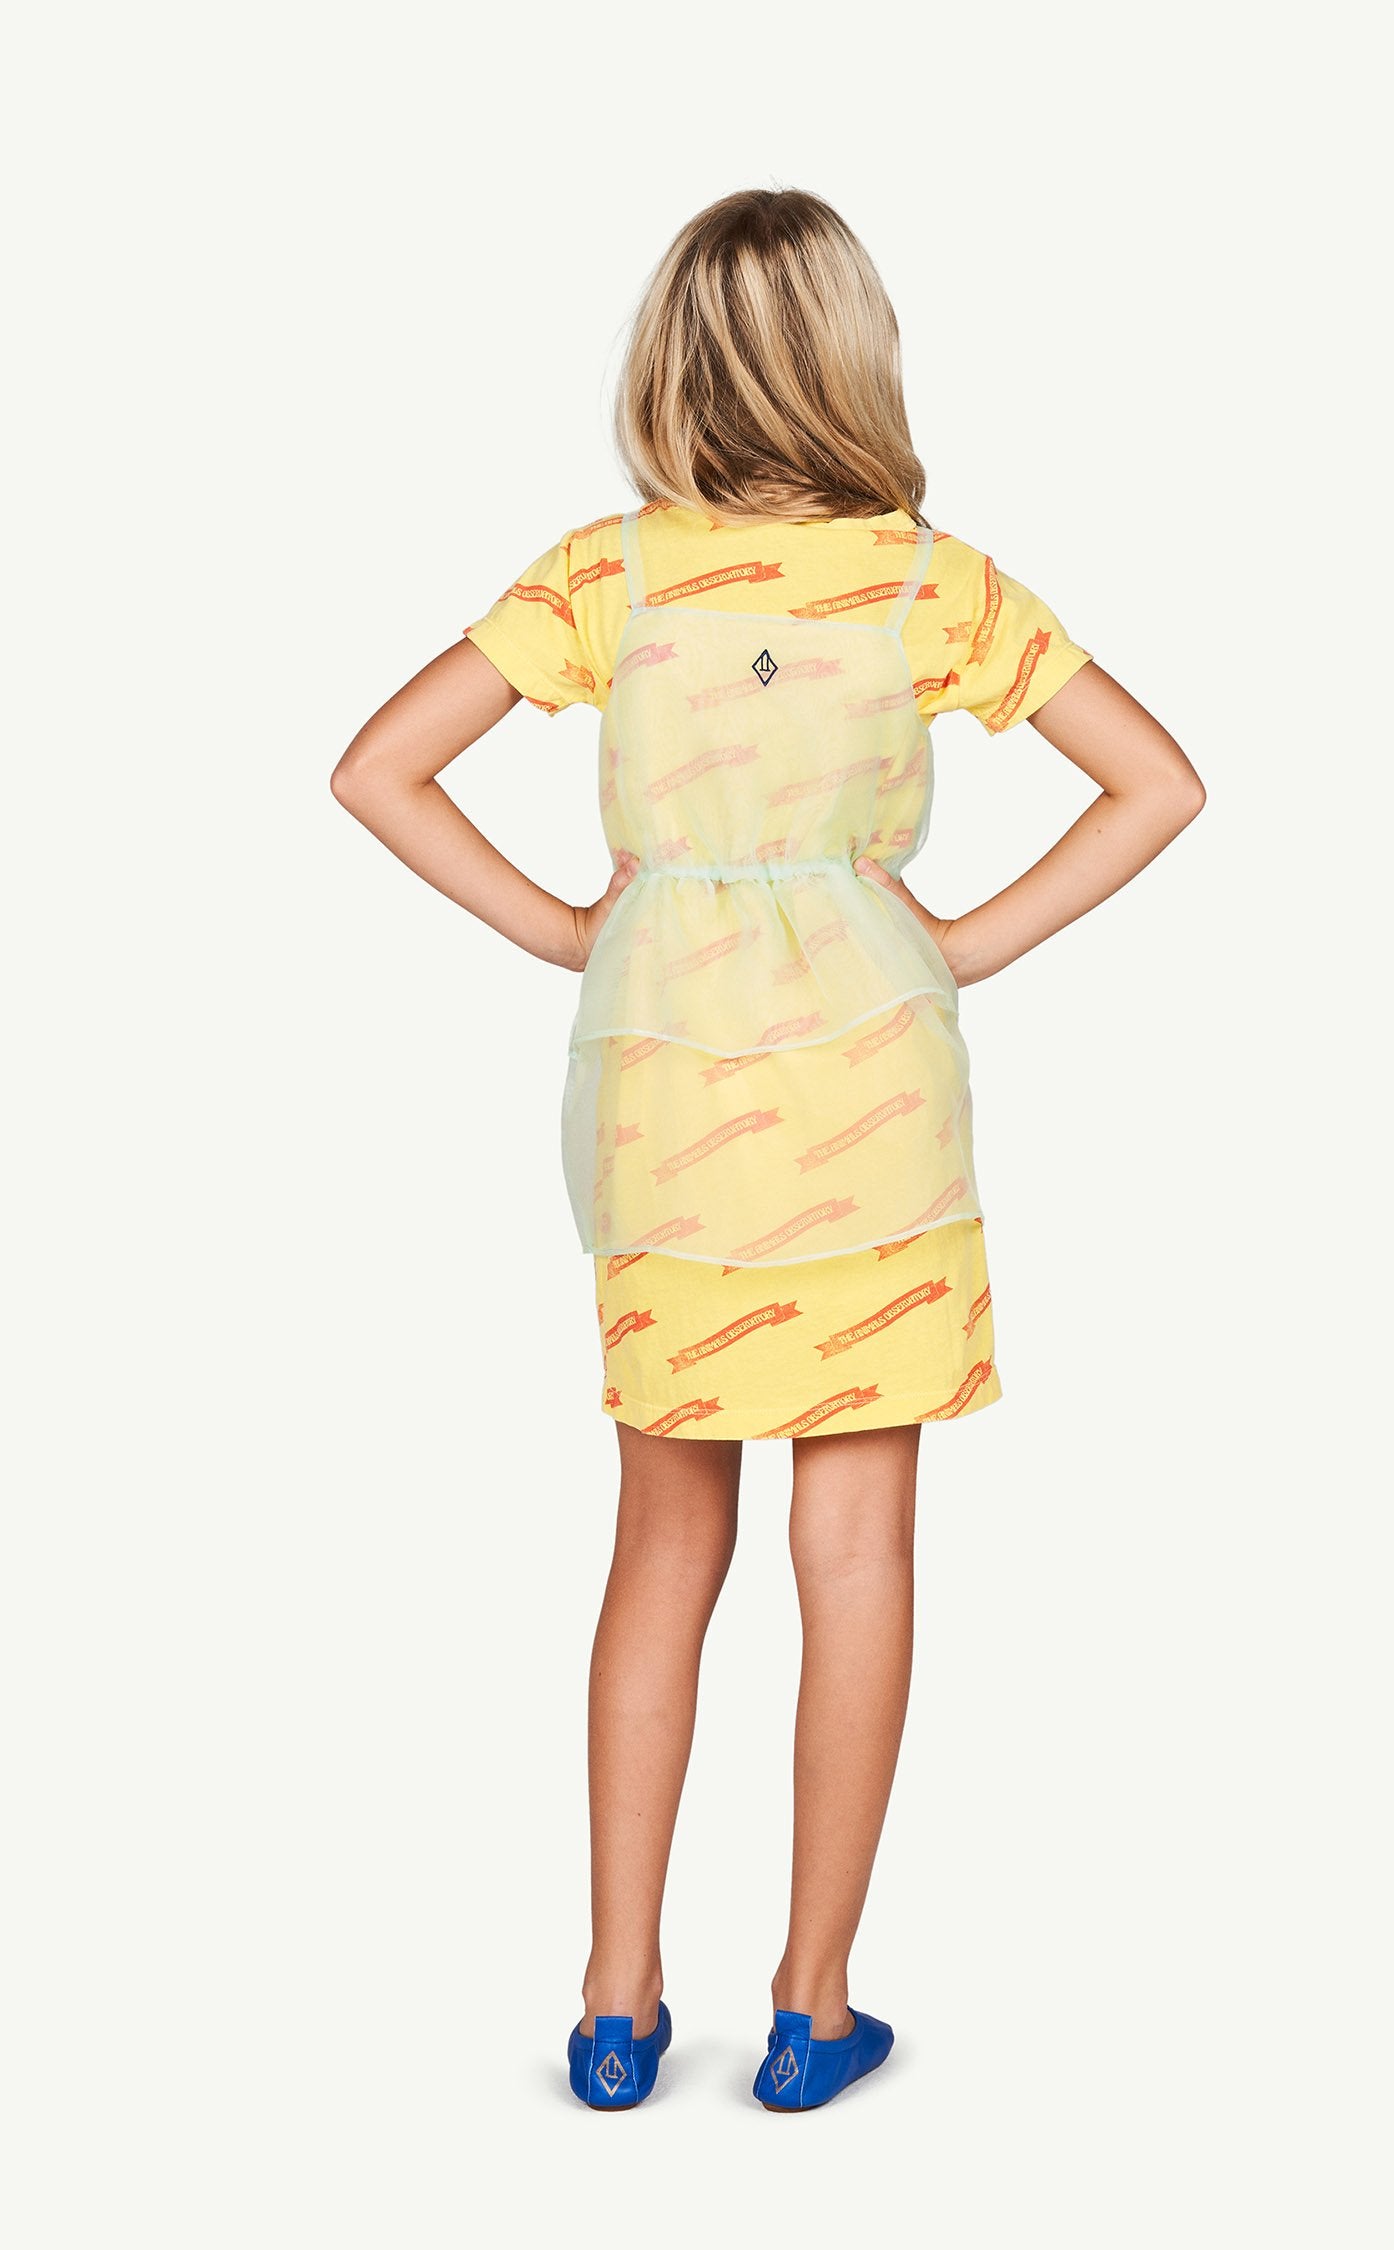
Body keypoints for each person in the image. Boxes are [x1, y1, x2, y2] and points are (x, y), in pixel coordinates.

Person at [331, 185, 1206, 2114]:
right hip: (874, 1108)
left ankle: (616, 2002)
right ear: (856, 357)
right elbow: (1160, 781)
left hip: (668, 1108)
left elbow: (377, 766)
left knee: (662, 1541)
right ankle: (813, 2003)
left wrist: (570, 926)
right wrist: (957, 942)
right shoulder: (928, 584)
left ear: (669, 363)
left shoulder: (607, 578)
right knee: (858, 1546)